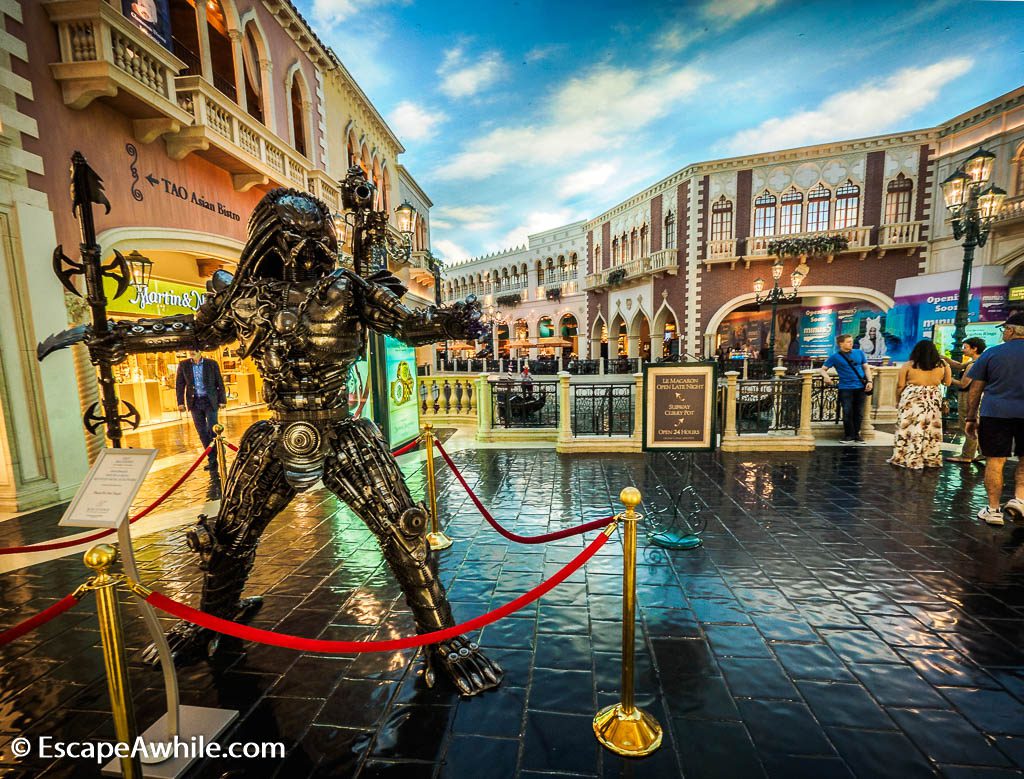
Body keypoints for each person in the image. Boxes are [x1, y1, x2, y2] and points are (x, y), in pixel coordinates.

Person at [963, 312, 1024, 526]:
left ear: (1010, 330)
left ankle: (994, 509)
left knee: (995, 461)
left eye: (1003, 329)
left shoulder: (992, 354)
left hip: (996, 413)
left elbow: (975, 389)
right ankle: (1020, 499)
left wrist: (971, 417)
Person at [888, 340, 951, 469]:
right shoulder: (943, 365)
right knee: (930, 428)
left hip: (912, 397)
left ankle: (907, 456)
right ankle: (929, 457)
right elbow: (948, 383)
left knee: (910, 427)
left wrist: (897, 399)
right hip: (932, 397)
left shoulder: (908, 365)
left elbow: (900, 385)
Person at [176, 348, 226, 471]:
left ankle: (220, 450)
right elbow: (180, 385)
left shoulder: (211, 364)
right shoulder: (184, 365)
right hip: (195, 402)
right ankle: (212, 458)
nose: (191, 352)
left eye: (194, 349)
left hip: (210, 401)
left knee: (212, 429)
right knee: (202, 432)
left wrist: (222, 400)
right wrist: (180, 402)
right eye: (190, 350)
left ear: (200, 351)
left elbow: (219, 382)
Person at [820, 334, 874, 444]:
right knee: (847, 411)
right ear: (841, 343)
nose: (851, 343)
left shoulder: (859, 353)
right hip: (845, 387)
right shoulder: (835, 357)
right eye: (848, 341)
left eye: (851, 341)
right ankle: (848, 435)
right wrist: (826, 377)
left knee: (859, 412)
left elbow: (866, 368)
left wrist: (869, 381)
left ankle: (857, 434)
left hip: (860, 386)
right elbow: (823, 369)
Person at [944, 337, 987, 464]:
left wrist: (947, 378)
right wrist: (946, 359)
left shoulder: (972, 365)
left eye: (965, 347)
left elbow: (963, 384)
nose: (963, 350)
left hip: (967, 397)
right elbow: (958, 365)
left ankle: (967, 455)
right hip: (976, 396)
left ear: (974, 349)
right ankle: (982, 452)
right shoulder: (977, 361)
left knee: (967, 425)